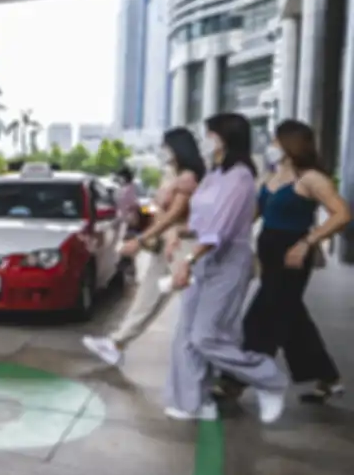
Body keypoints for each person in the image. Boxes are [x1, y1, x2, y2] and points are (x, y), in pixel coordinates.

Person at [214, 120, 351, 404]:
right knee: (291, 317)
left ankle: (234, 381)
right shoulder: (271, 177)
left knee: (262, 317)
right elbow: (251, 215)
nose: (271, 147)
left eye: (276, 141)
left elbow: (342, 214)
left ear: (290, 144)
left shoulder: (311, 178)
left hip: (293, 256)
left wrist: (307, 242)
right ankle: (327, 377)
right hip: (269, 253)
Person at [165, 112, 289, 423]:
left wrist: (188, 260)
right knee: (186, 335)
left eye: (209, 134)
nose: (205, 140)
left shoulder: (240, 177)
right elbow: (203, 221)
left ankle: (268, 379)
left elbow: (220, 230)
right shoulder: (214, 174)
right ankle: (196, 401)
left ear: (223, 138)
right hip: (204, 257)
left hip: (227, 262)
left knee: (206, 336)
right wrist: (183, 233)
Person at [82, 128, 205, 367]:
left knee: (195, 309)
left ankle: (210, 364)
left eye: (167, 147)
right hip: (165, 242)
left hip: (181, 244)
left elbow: (174, 214)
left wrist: (139, 240)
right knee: (148, 295)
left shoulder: (188, 177)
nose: (164, 151)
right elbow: (161, 211)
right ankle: (117, 343)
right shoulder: (172, 174)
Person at [114, 166, 140, 233]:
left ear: (124, 177)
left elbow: (133, 203)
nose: (118, 179)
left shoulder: (129, 188)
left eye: (119, 177)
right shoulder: (123, 188)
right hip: (121, 218)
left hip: (127, 219)